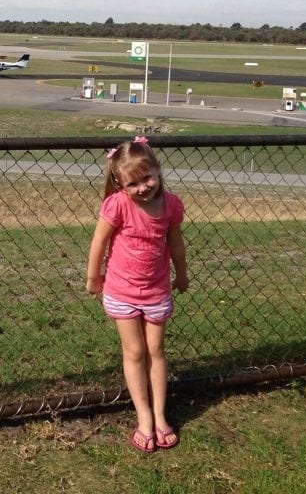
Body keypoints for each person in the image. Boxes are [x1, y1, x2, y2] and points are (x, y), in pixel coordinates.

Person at [86, 136, 189, 453]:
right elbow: (98, 243)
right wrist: (94, 278)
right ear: (120, 184)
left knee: (156, 351)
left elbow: (175, 244)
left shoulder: (170, 205)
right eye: (133, 183)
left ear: (158, 170)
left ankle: (160, 415)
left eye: (147, 178)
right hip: (121, 291)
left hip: (157, 291)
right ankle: (143, 416)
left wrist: (182, 275)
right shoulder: (117, 204)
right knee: (134, 352)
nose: (143, 187)